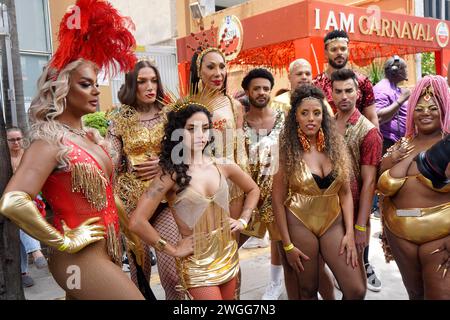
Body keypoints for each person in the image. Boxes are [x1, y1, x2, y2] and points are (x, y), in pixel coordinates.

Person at [0, 0, 144, 299]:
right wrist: (62, 240)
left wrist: (135, 233)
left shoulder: (89, 137)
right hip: (79, 260)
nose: (95, 91)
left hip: (110, 249)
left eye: (95, 84)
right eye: (85, 84)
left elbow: (107, 194)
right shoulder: (48, 142)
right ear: (61, 89)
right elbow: (13, 201)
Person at [128, 99, 260, 300]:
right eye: (191, 129)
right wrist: (171, 248)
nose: (200, 135)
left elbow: (253, 189)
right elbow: (137, 221)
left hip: (227, 254)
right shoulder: (168, 176)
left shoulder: (223, 165)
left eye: (205, 128)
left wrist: (243, 219)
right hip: (196, 263)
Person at [272, 84, 365, 300]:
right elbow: (277, 200)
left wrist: (349, 233)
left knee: (356, 290)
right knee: (308, 289)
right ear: (295, 116)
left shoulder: (336, 145)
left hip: (333, 222)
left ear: (324, 116)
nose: (311, 118)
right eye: (304, 113)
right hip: (299, 222)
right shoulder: (286, 149)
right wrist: (287, 245)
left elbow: (345, 194)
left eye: (317, 113)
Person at [106, 59, 182, 299]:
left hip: (165, 200)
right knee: (140, 277)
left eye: (154, 80)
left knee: (172, 275)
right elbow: (112, 156)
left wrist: (164, 164)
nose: (150, 86)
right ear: (132, 85)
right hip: (132, 206)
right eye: (142, 81)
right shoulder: (119, 120)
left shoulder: (171, 115)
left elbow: (187, 153)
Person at [378, 75, 449, 299]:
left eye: (432, 107)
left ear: (444, 109)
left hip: (440, 236)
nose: (425, 112)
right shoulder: (402, 144)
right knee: (415, 295)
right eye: (418, 108)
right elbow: (380, 182)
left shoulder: (448, 143)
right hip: (400, 236)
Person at [331, 69, 383, 292]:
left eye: (349, 91)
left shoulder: (368, 132)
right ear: (331, 94)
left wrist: (361, 226)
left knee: (354, 282)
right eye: (338, 91)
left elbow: (369, 183)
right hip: (327, 209)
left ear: (357, 94)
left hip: (352, 212)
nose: (344, 96)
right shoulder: (328, 124)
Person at [241, 68, 285, 299]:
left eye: (266, 88)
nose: (261, 92)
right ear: (247, 91)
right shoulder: (241, 122)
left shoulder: (283, 116)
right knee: (237, 236)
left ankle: (276, 283)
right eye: (256, 88)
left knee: (279, 240)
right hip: (249, 192)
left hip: (279, 192)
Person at [7, 127, 48, 288]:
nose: (16, 142)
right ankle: (35, 252)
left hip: (30, 200)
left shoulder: (28, 156)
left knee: (21, 220)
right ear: (6, 140)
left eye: (18, 139)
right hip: (10, 201)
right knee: (21, 217)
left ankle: (24, 272)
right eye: (12, 140)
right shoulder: (4, 159)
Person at [313, 29, 379, 128]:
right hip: (327, 140)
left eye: (343, 49)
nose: (339, 53)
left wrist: (376, 141)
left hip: (357, 139)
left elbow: (371, 117)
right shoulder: (315, 84)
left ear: (348, 51)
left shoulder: (362, 82)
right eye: (334, 49)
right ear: (326, 53)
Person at [374, 56, 410, 153]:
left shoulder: (394, 88)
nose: (407, 71)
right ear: (395, 70)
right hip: (387, 143)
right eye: (405, 68)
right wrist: (401, 100)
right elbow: (377, 117)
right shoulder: (382, 89)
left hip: (398, 142)